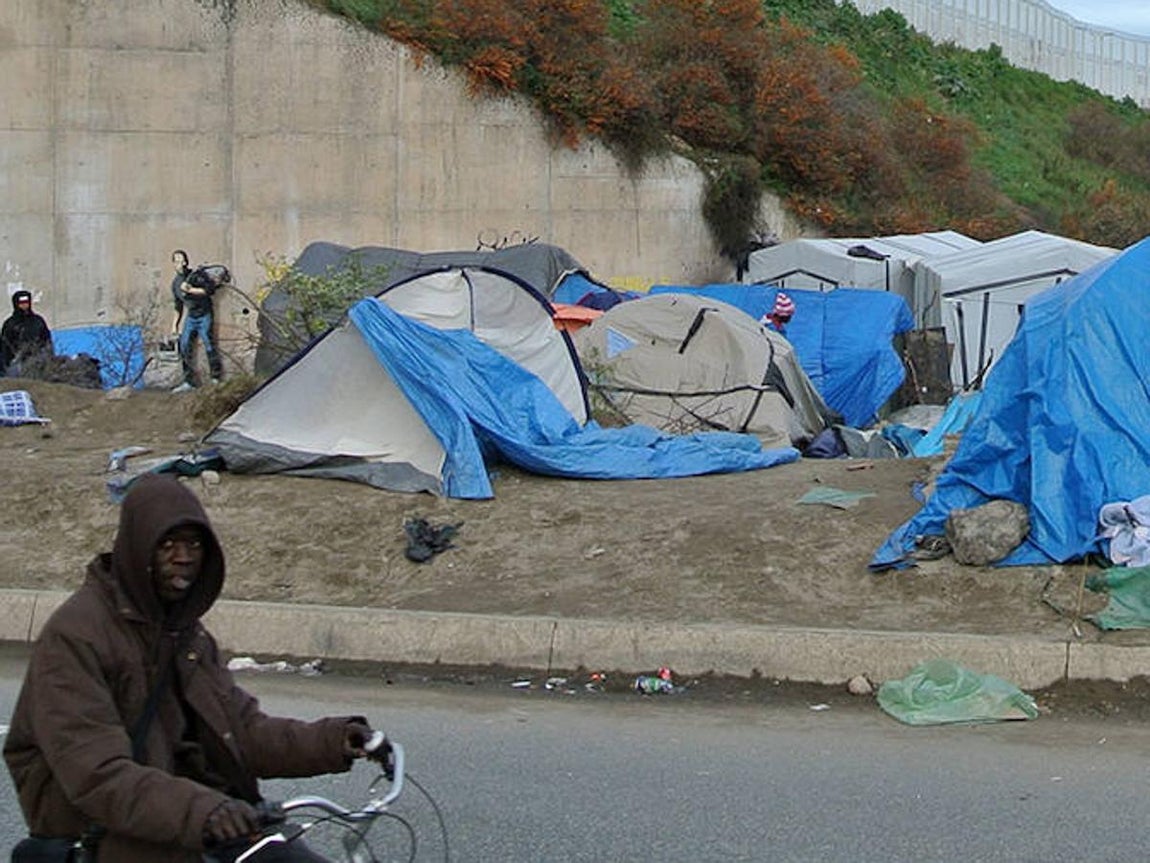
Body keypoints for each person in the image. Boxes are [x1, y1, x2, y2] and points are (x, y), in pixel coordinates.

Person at [4, 474, 378, 862]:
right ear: (136, 549)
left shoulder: (184, 635)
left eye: (193, 544)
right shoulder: (77, 636)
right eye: (167, 544)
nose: (183, 556)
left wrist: (334, 740)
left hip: (183, 815)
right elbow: (97, 773)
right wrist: (205, 811)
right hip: (101, 831)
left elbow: (240, 731)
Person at [171, 249, 224, 392]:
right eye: (176, 260)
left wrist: (190, 289)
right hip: (191, 317)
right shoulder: (175, 283)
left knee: (208, 345)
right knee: (184, 346)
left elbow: (209, 291)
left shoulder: (195, 276)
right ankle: (189, 381)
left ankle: (216, 378)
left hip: (204, 315)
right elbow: (178, 306)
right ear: (173, 264)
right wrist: (174, 325)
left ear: (186, 262)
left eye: (182, 260)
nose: (180, 263)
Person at [0, 289, 53, 377]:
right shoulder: (10, 324)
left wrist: (47, 357)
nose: (24, 305)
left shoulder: (38, 321)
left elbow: (46, 341)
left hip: (37, 361)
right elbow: (5, 347)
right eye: (21, 303)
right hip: (16, 364)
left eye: (26, 302)